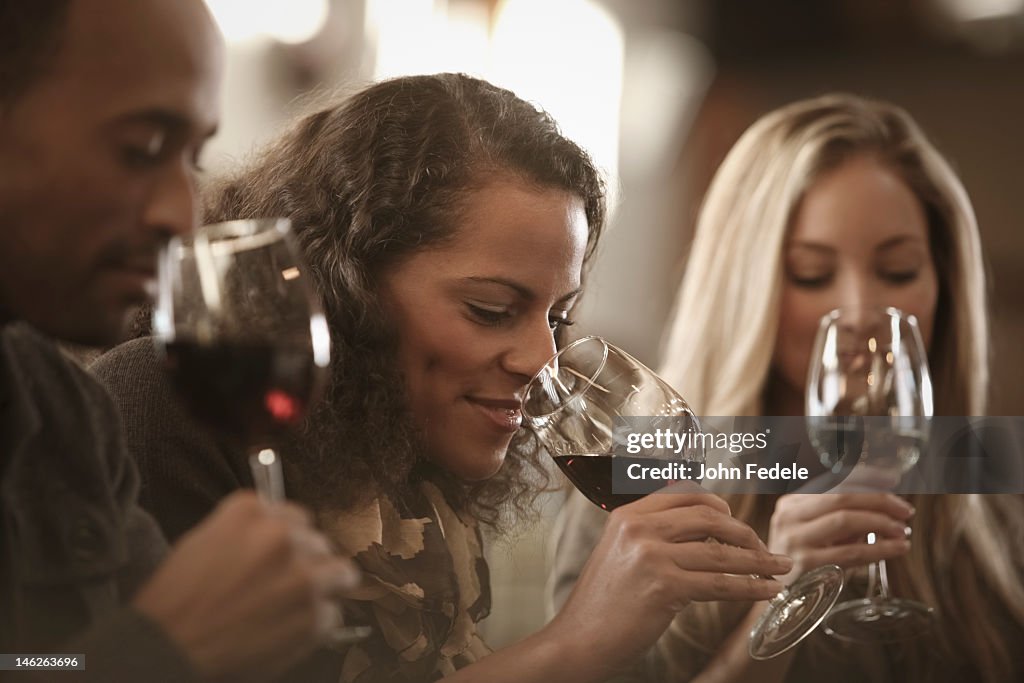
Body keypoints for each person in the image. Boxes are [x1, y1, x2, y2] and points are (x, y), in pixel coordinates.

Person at [92, 72, 794, 683]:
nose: (543, 360)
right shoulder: (166, 404)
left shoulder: (411, 465)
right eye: (491, 309)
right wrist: (575, 645)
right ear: (347, 284)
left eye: (559, 315)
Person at [550, 94, 1024, 682]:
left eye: (898, 271)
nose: (859, 311)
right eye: (811, 274)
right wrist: (780, 600)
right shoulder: (636, 477)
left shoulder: (993, 494)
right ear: (743, 291)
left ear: (946, 284)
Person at [0, 2, 360, 681]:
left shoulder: (65, 413)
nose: (182, 215)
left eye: (192, 157)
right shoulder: (130, 397)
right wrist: (161, 646)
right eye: (141, 149)